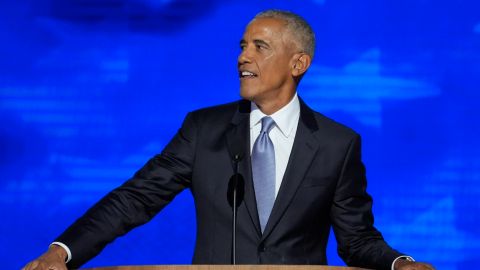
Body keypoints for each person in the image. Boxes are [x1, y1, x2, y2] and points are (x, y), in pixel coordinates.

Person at [24, 10, 434, 270]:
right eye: (242, 46)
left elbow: (356, 240)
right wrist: (62, 251)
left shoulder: (337, 143)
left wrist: (399, 264)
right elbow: (135, 198)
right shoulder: (204, 130)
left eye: (260, 47)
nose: (243, 57)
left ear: (298, 63)